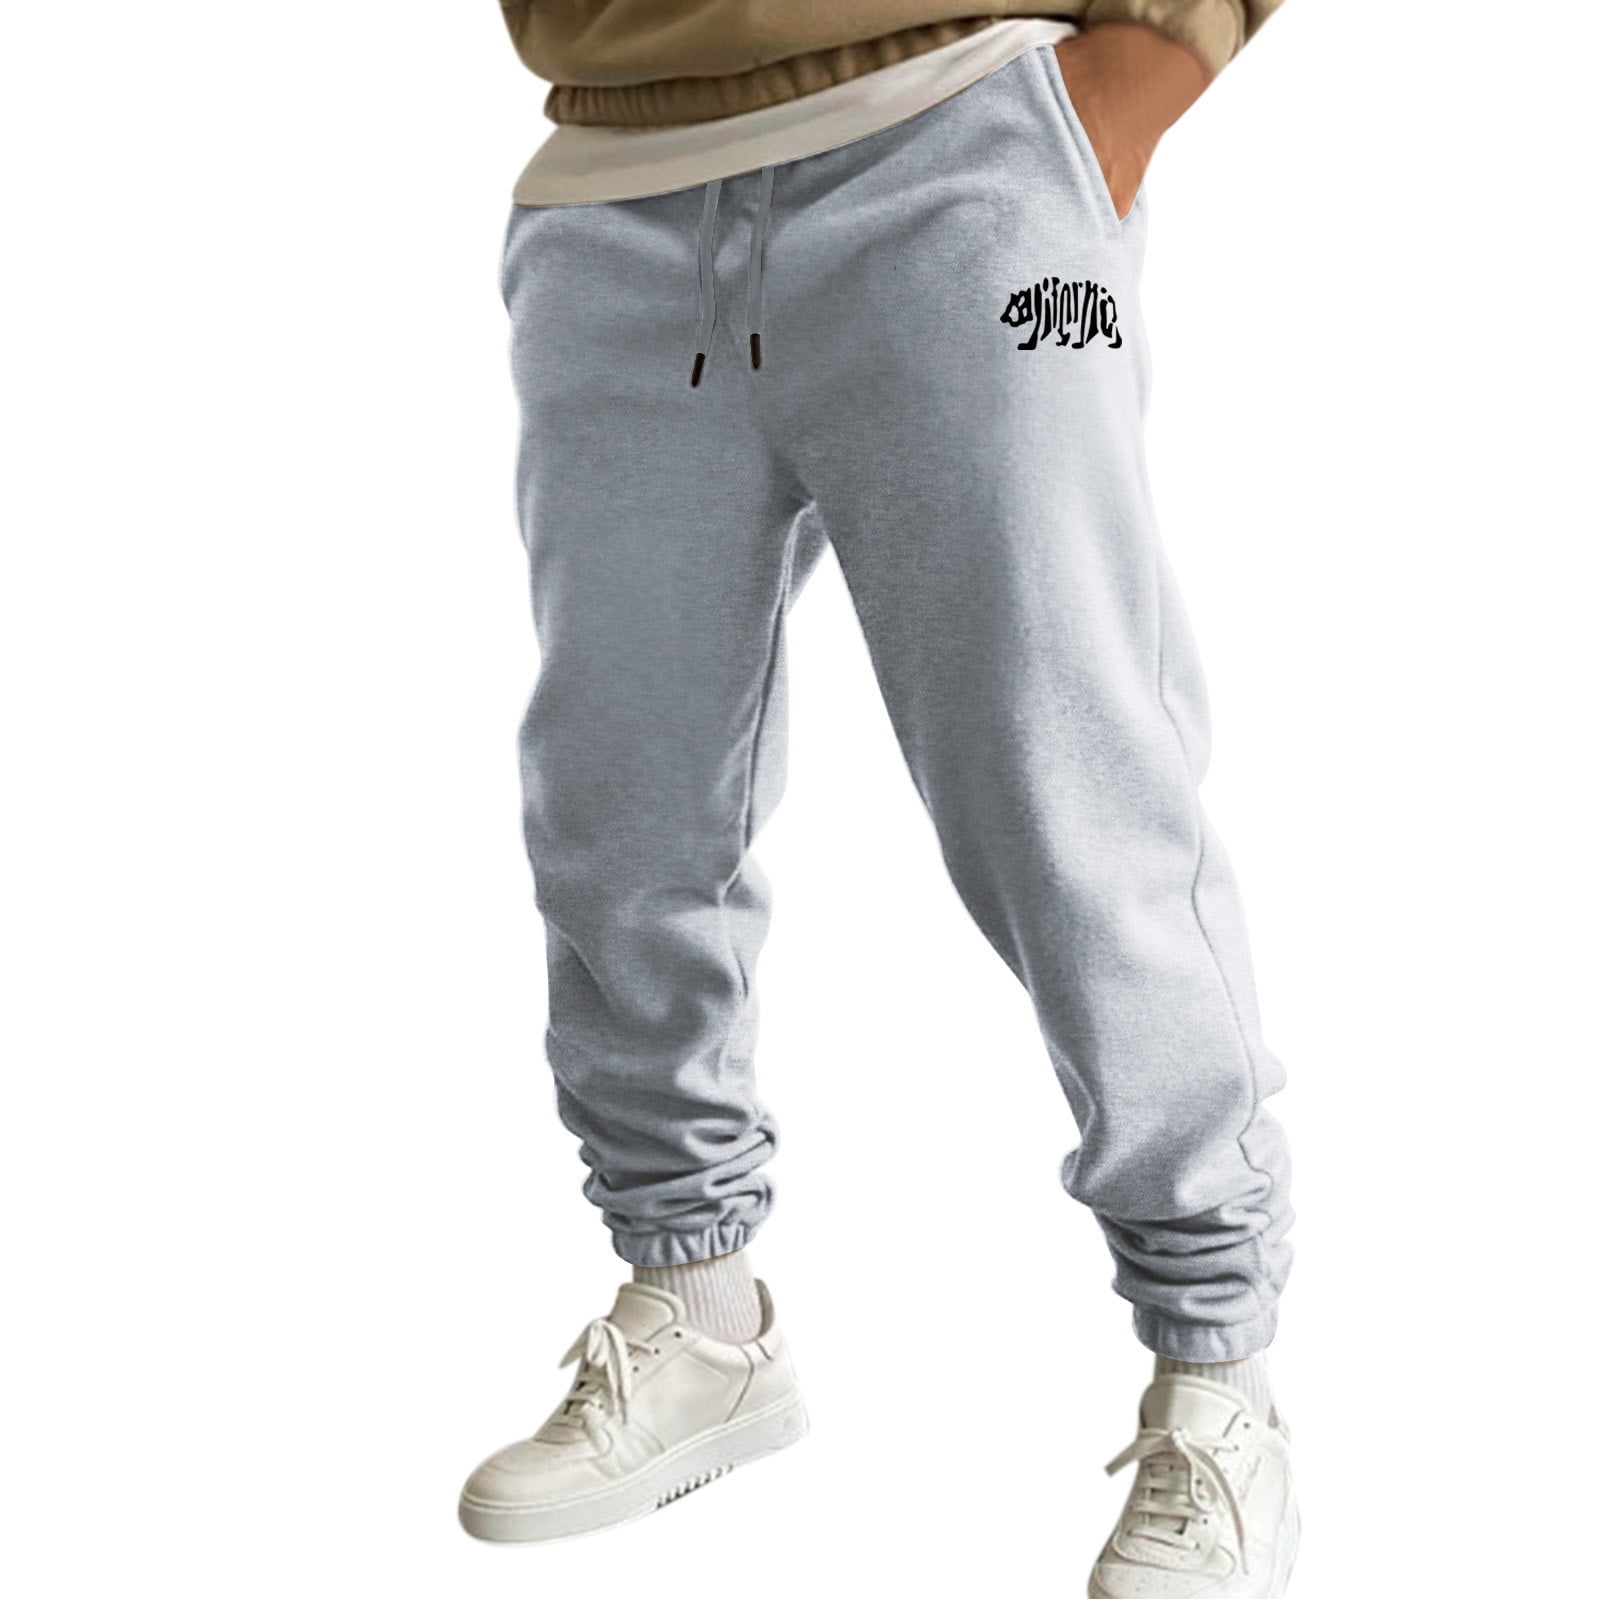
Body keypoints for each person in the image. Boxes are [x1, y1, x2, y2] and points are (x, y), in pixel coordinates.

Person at [459, 6, 1298, 1593]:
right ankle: (700, 1314)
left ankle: (1219, 1375)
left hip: (962, 148)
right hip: (609, 188)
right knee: (617, 800)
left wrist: (1157, 57)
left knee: (1061, 794)